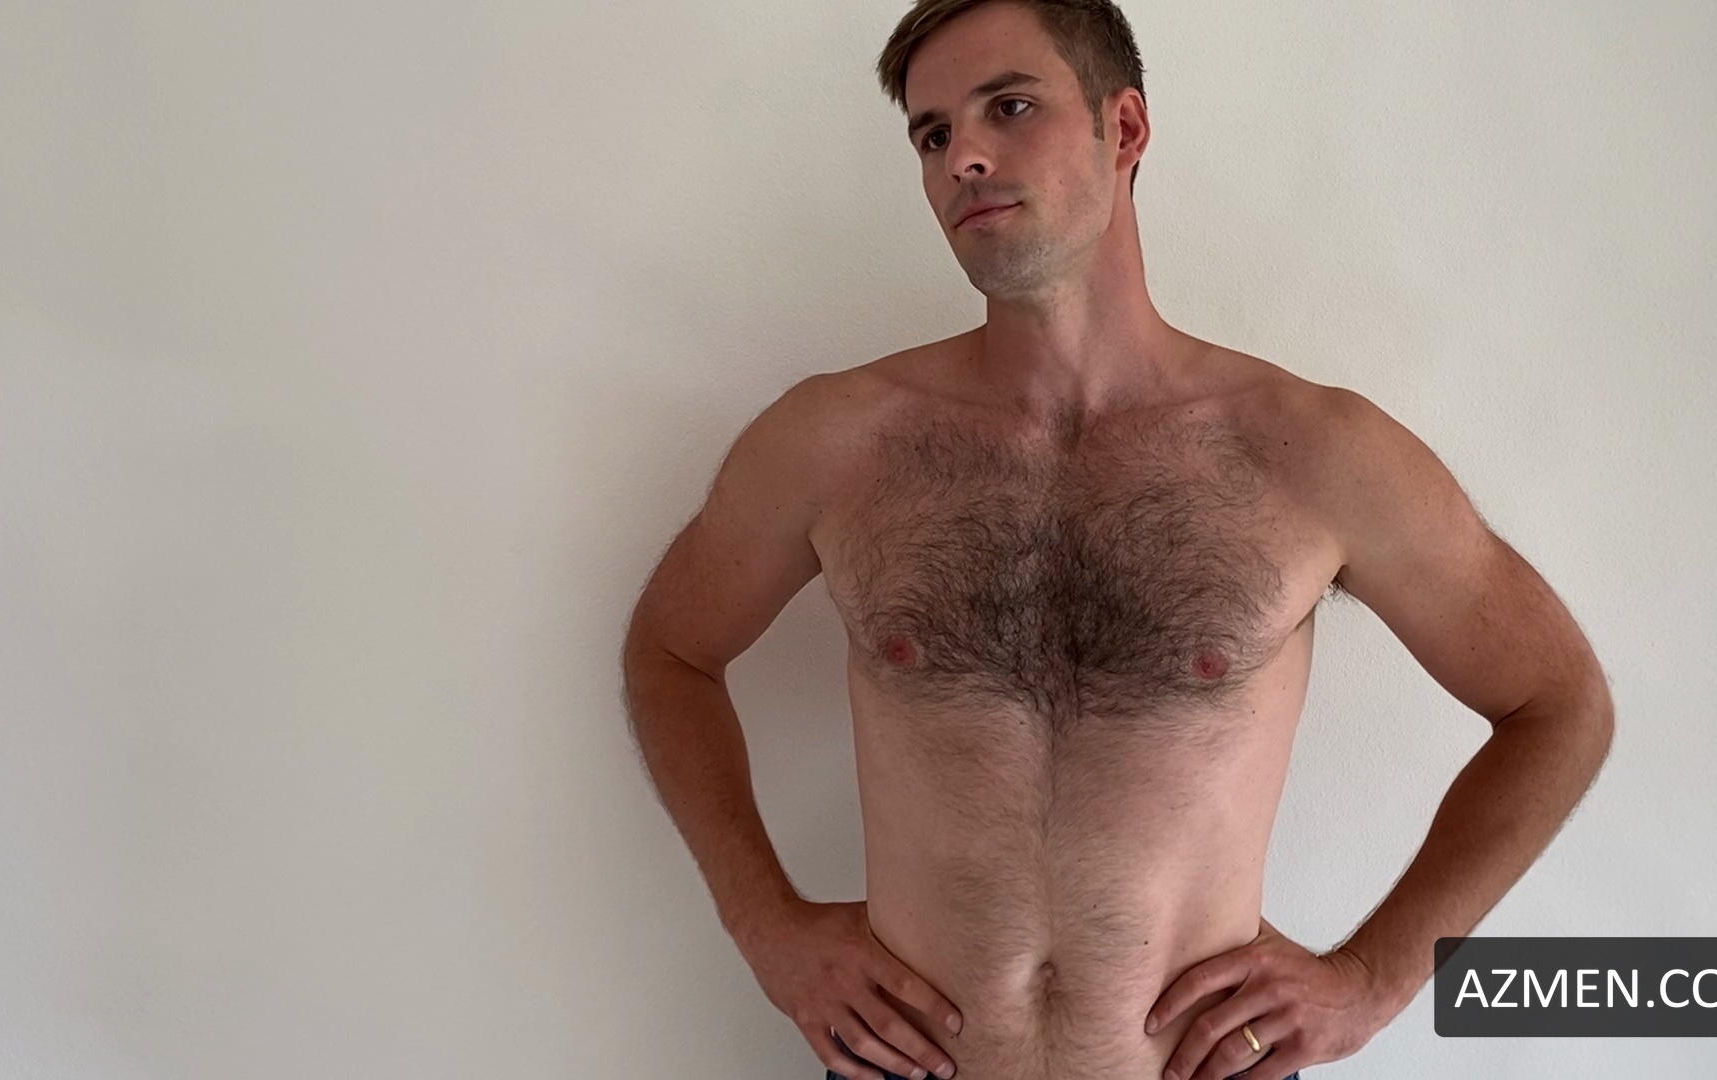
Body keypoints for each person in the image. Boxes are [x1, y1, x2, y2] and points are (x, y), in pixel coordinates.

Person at [619, 1, 1615, 1077]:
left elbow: (1556, 704)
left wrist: (1373, 979)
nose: (963, 159)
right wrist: (764, 926)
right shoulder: (835, 441)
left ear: (1124, 127)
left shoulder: (1311, 452)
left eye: (1009, 107)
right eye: (932, 134)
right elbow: (672, 651)